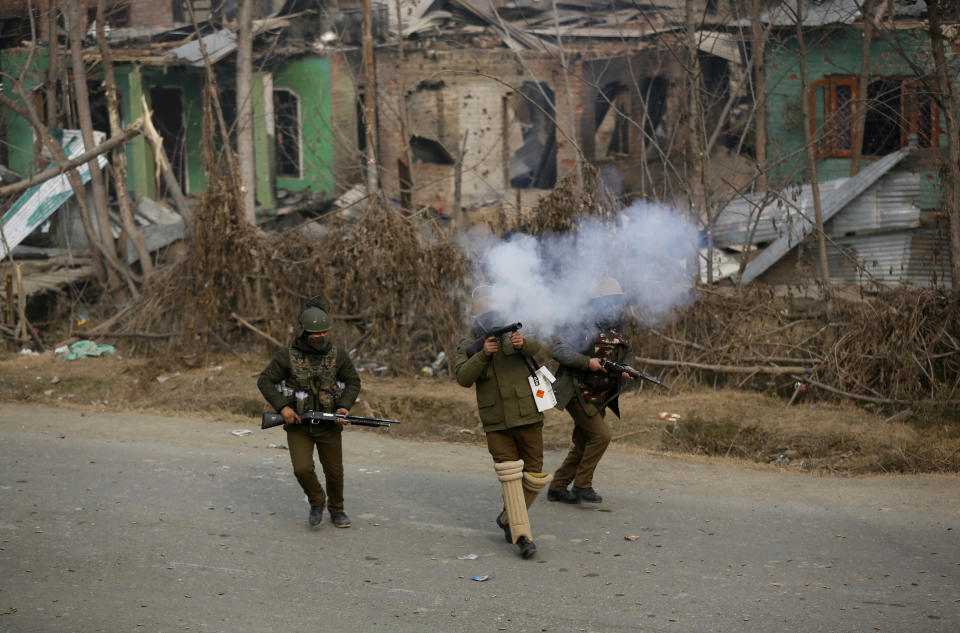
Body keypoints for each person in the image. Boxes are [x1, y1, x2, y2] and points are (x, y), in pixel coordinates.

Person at [454, 288, 553, 560]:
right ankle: (522, 536)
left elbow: (540, 349)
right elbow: (462, 377)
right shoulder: (468, 344)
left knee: (533, 475)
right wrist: (483, 354)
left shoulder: (514, 335)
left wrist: (522, 343)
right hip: (496, 421)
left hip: (527, 415)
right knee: (510, 477)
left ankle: (508, 517)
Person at [257, 306, 361, 528]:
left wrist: (343, 406)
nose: (321, 337)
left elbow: (353, 381)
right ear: (305, 332)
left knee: (334, 472)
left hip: (329, 425)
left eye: (324, 333)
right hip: (298, 426)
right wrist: (283, 407)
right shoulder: (287, 356)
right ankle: (316, 501)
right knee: (302, 469)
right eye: (316, 334)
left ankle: (337, 510)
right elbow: (265, 380)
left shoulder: (337, 355)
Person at [547, 276, 637, 505]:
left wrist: (627, 367)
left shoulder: (619, 325)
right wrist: (587, 363)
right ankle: (581, 485)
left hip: (602, 393)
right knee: (600, 436)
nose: (614, 305)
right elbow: (558, 350)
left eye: (617, 300)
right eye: (609, 300)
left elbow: (627, 351)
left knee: (583, 443)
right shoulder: (580, 323)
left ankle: (557, 488)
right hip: (576, 390)